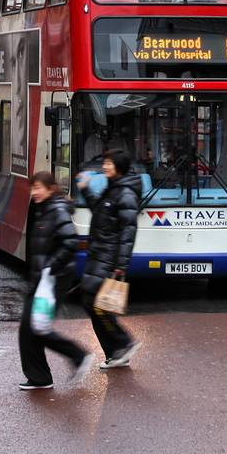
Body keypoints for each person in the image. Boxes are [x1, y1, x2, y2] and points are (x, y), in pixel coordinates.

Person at [18, 171, 92, 391]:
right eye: (32, 188)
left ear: (50, 189)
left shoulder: (57, 210)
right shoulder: (45, 209)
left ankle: (78, 355)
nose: (34, 193)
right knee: (29, 328)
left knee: (35, 326)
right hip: (43, 277)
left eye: (38, 188)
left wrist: (51, 266)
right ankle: (40, 377)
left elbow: (70, 241)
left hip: (53, 278)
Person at [75, 148, 141, 369]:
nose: (104, 166)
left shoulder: (126, 194)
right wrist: (85, 190)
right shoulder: (113, 189)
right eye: (104, 162)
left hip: (108, 257)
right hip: (99, 254)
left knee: (94, 301)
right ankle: (116, 352)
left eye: (109, 163)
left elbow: (128, 232)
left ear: (119, 166)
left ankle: (124, 343)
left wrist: (121, 265)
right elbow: (100, 210)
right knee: (92, 302)